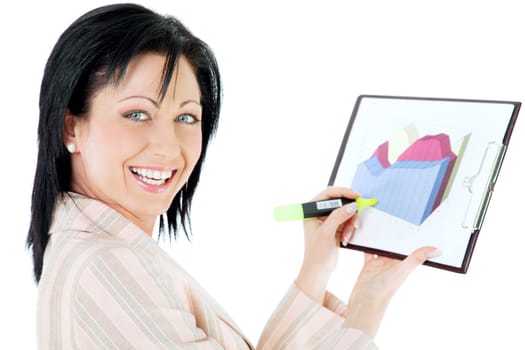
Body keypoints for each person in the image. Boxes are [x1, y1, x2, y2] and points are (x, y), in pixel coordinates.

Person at [27, 3, 440, 349]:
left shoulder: (106, 251)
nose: (169, 147)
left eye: (186, 117)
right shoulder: (106, 267)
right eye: (137, 114)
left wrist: (343, 283)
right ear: (71, 128)